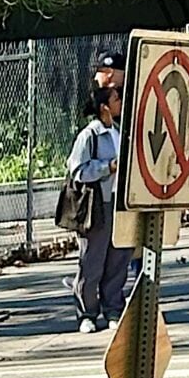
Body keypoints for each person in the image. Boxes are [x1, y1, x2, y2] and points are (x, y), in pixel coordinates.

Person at [67, 77, 133, 333]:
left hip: (120, 203)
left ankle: (113, 309)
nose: (120, 102)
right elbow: (77, 170)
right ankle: (87, 313)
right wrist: (107, 167)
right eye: (116, 99)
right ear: (104, 107)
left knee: (118, 259)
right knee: (92, 261)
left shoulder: (119, 131)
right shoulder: (89, 136)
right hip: (98, 206)